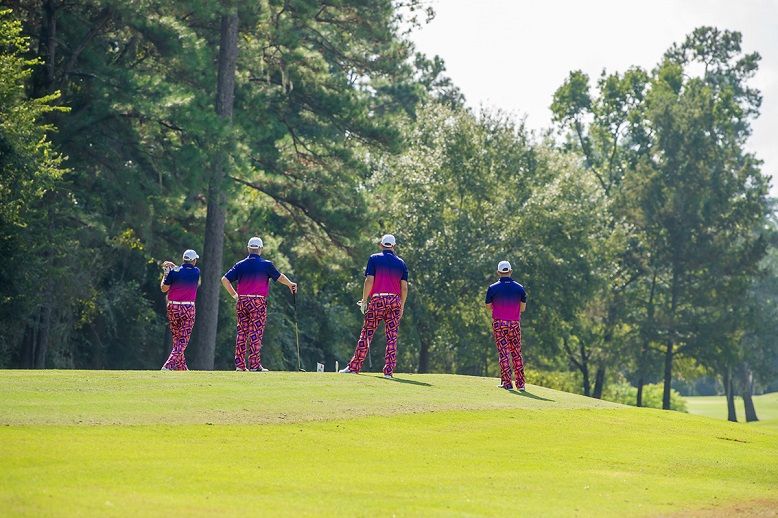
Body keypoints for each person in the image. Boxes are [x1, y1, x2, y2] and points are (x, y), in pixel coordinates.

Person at [221, 236, 297, 372]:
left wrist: (234, 295)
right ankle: (255, 365)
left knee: (242, 333)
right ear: (260, 249)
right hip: (258, 302)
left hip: (242, 300)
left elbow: (224, 280)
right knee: (255, 332)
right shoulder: (266, 264)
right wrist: (290, 284)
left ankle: (240, 365)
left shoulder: (240, 265)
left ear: (249, 249)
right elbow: (280, 277)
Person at [340, 234, 408, 378]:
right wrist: (401, 306)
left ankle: (354, 367)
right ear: (394, 246)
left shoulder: (374, 258)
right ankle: (388, 372)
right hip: (395, 301)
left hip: (377, 300)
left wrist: (364, 300)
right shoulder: (401, 263)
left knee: (366, 334)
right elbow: (404, 288)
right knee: (392, 337)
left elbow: (369, 281)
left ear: (381, 245)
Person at [485, 260, 527, 390]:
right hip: (514, 323)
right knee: (516, 353)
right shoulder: (520, 288)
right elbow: (523, 308)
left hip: (499, 324)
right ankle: (520, 385)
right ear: (510, 271)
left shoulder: (492, 288)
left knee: (503, 353)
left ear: (498, 272)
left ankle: (507, 383)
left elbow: (488, 307)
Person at [160, 249, 201, 371]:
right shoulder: (196, 272)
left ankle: (182, 367)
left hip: (173, 307)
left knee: (177, 338)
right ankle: (169, 365)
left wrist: (166, 274)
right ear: (193, 261)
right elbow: (183, 271)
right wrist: (173, 268)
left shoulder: (174, 272)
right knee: (182, 340)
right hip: (188, 308)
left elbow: (164, 288)